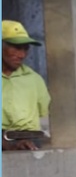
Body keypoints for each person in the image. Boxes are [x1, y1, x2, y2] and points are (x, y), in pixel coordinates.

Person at [1, 20, 50, 151]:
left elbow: (44, 115)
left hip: (29, 143)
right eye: (16, 48)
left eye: (25, 49)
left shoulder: (35, 80)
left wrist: (24, 140)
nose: (22, 55)